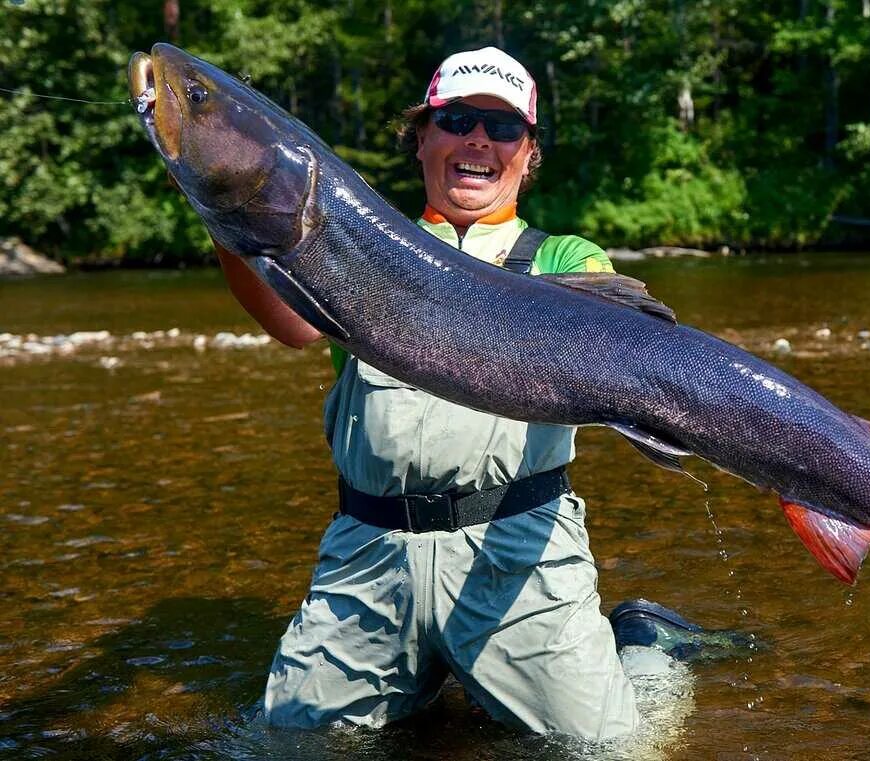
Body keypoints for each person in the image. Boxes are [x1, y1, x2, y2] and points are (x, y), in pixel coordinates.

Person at [213, 47, 705, 740]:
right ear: (422, 138)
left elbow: (616, 346)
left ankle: (649, 649)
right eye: (458, 119)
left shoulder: (567, 259)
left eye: (503, 129)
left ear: (528, 156)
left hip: (517, 552)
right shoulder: (354, 246)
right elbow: (292, 325)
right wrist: (229, 215)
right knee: (283, 748)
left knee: (619, 749)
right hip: (367, 552)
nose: (478, 139)